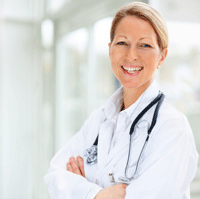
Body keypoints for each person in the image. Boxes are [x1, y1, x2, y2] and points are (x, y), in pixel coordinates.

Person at [44, 2, 199, 199]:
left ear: (162, 56)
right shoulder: (99, 119)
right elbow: (55, 176)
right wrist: (97, 194)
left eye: (144, 45)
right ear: (110, 50)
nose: (131, 55)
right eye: (122, 43)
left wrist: (80, 189)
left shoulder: (172, 128)